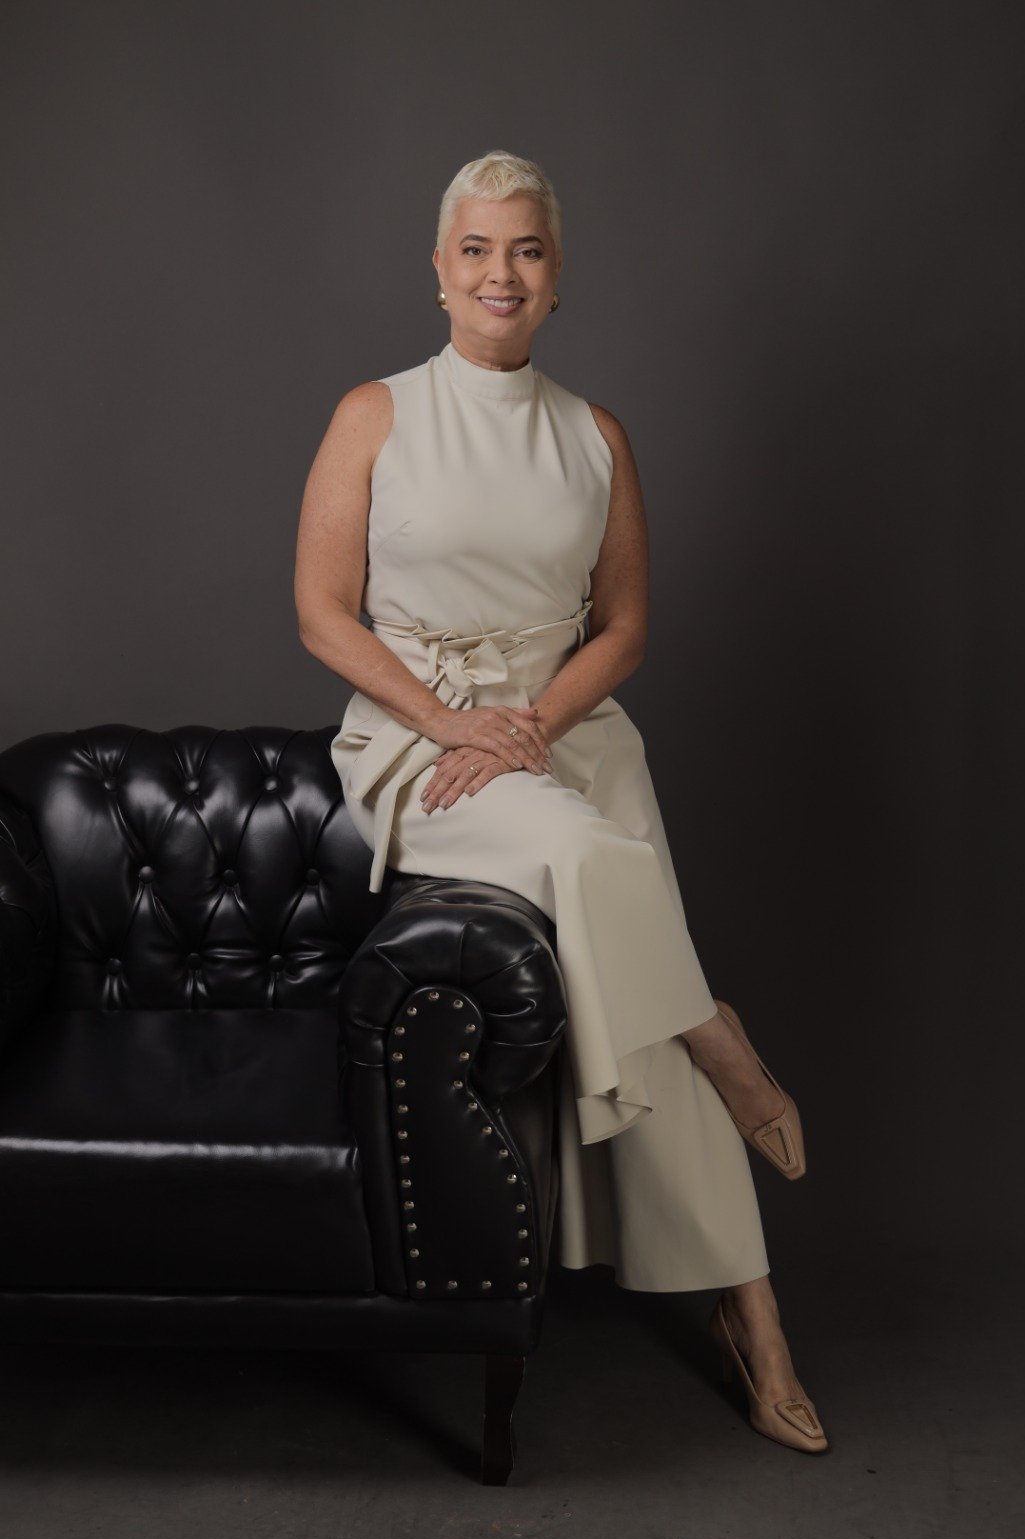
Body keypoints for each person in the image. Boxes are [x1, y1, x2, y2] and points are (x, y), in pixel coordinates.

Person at [294, 150, 828, 1454]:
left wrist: (530, 725)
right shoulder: (374, 413)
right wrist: (454, 726)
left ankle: (753, 1320)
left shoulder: (598, 436)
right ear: (438, 271)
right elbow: (320, 613)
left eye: (525, 250)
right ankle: (718, 1036)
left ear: (556, 274)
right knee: (604, 882)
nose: (500, 273)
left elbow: (625, 627)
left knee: (623, 976)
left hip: (569, 738)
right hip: (422, 751)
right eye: (476, 249)